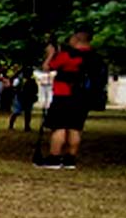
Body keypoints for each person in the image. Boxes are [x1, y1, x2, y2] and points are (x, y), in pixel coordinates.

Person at [37, 27, 97, 169]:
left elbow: (48, 67)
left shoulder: (68, 55)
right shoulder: (93, 57)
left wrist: (51, 54)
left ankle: (54, 158)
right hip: (82, 97)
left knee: (59, 126)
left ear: (76, 39)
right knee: (75, 127)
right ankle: (70, 159)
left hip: (64, 94)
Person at [8, 66, 38, 131]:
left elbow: (35, 90)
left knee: (26, 112)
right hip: (21, 97)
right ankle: (12, 125)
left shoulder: (30, 80)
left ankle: (26, 126)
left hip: (26, 98)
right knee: (18, 112)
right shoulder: (20, 80)